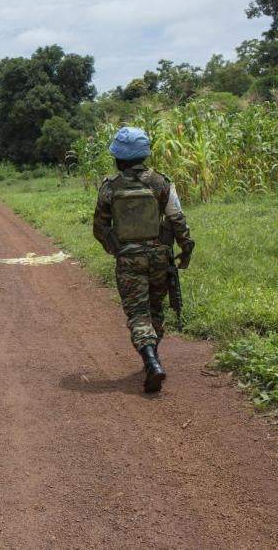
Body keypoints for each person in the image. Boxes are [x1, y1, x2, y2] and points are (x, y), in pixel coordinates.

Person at [92, 126, 194, 393]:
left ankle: (150, 360)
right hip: (160, 257)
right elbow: (177, 220)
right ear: (144, 156)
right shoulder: (162, 183)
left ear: (119, 159)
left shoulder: (109, 187)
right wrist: (186, 249)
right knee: (156, 309)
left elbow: (100, 228)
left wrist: (117, 249)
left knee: (138, 313)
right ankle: (154, 357)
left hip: (128, 260)